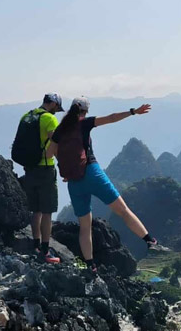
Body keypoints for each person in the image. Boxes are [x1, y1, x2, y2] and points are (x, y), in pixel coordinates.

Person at [47, 96, 168, 272]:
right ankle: (150, 241)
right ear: (85, 110)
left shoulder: (60, 130)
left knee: (84, 227)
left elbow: (50, 153)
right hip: (92, 173)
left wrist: (69, 167)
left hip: (74, 181)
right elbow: (111, 117)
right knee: (123, 210)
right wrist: (133, 111)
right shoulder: (84, 124)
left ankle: (90, 265)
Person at [13, 93, 64, 263]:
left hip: (29, 168)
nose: (57, 111)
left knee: (36, 210)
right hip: (45, 169)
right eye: (57, 107)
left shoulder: (27, 116)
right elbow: (55, 146)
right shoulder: (49, 119)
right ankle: (45, 250)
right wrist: (63, 167)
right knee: (47, 210)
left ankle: (35, 245)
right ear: (54, 104)